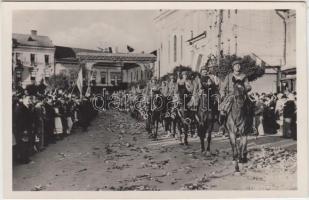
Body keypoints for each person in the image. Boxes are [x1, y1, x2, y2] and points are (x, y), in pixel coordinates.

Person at [14, 96, 33, 164]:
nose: (29, 101)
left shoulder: (26, 107)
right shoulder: (21, 108)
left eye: (29, 99)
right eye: (27, 99)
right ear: (24, 100)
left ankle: (26, 158)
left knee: (26, 143)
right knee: (24, 144)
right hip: (23, 129)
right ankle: (24, 160)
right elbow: (21, 120)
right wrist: (24, 129)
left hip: (26, 128)